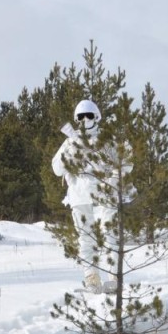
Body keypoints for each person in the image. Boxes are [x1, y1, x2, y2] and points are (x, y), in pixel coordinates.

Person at [51, 99, 118, 293]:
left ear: (96, 116)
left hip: (105, 195)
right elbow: (56, 169)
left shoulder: (106, 139)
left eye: (89, 115)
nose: (85, 119)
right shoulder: (70, 141)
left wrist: (114, 179)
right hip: (79, 195)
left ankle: (114, 277)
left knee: (110, 236)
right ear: (76, 118)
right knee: (86, 239)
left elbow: (125, 162)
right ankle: (92, 278)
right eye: (81, 116)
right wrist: (72, 150)